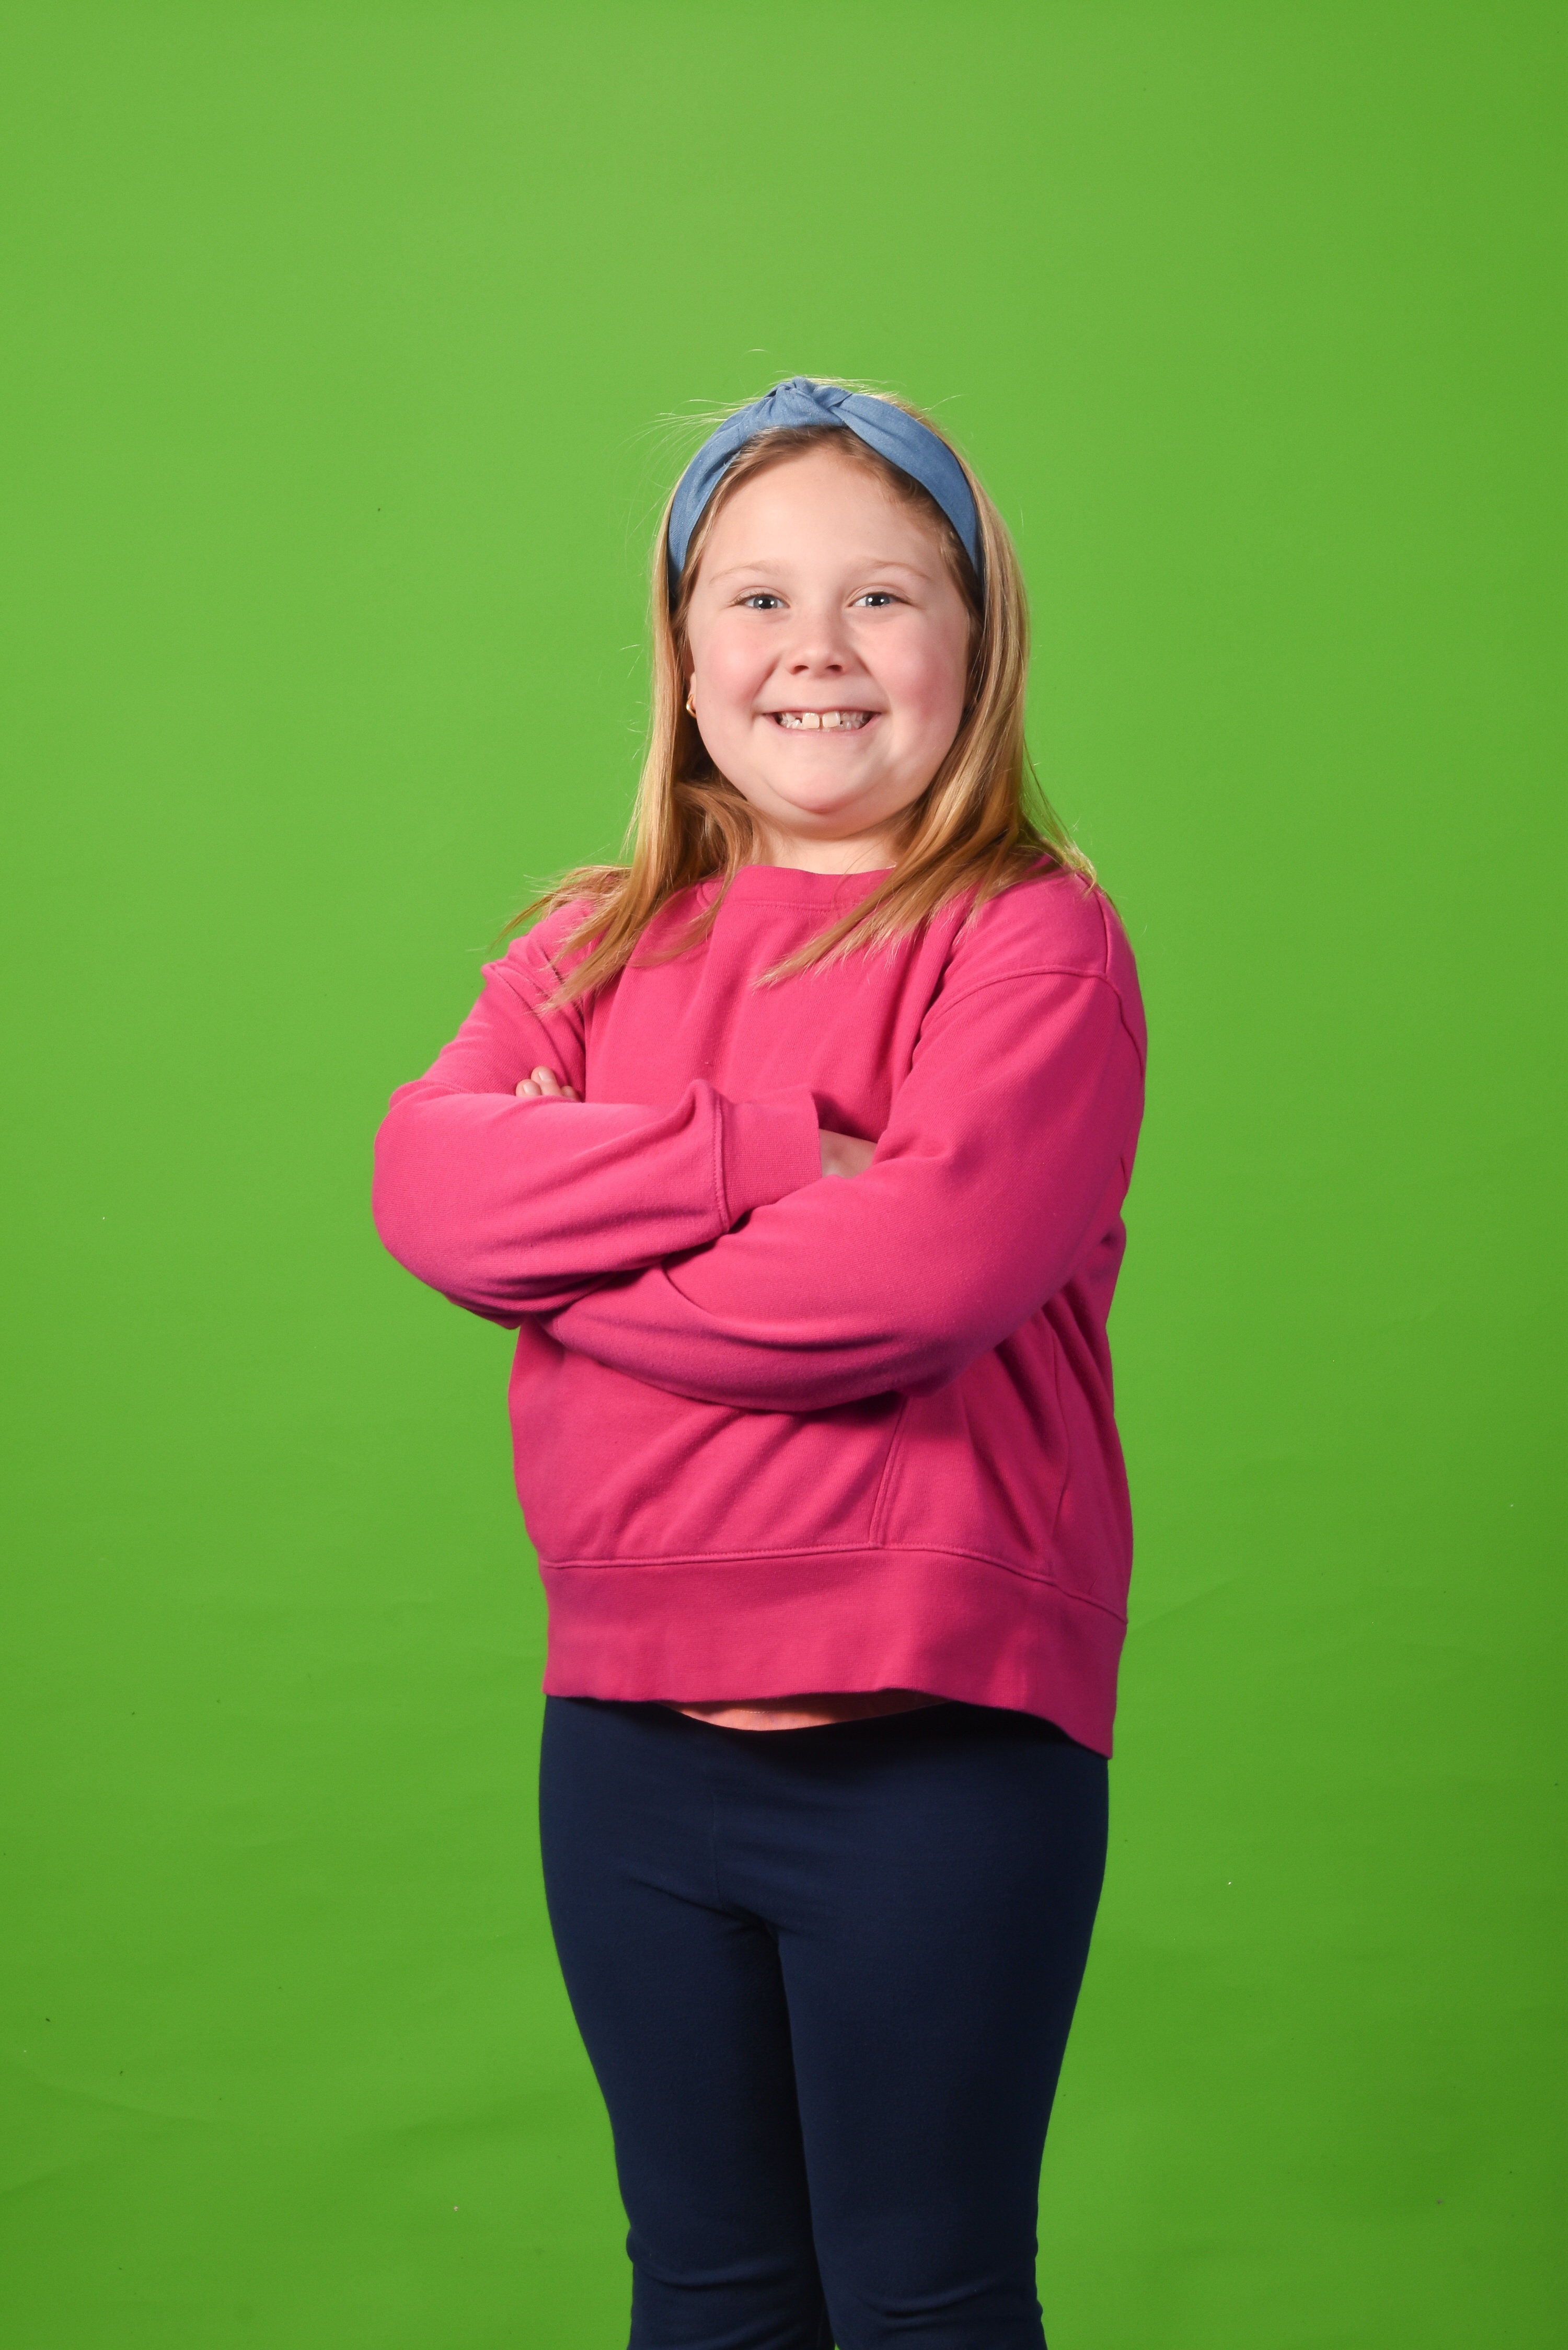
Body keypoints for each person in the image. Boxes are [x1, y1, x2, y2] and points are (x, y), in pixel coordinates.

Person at [373, 377, 1147, 2350]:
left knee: (925, 2299)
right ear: (684, 648)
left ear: (977, 641)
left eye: (881, 596)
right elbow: (429, 1188)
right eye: (757, 598)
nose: (816, 649)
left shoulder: (1031, 940)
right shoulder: (590, 941)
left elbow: (919, 1278)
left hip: (937, 1753)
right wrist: (759, 1156)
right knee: (708, 2294)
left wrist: (571, 1276)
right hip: (628, 1749)